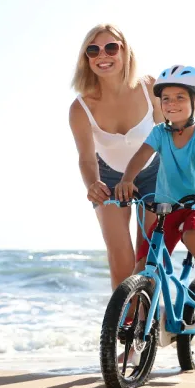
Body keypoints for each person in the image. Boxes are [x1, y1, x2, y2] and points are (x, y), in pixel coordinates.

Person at [116, 65, 195, 320]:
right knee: (143, 263)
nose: (171, 103)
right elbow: (140, 157)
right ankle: (134, 315)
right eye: (165, 98)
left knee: (192, 236)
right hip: (168, 208)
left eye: (179, 97)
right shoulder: (159, 133)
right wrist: (126, 179)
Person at [69, 23, 163, 290]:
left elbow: (171, 135)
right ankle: (123, 328)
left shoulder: (149, 88)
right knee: (120, 260)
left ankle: (151, 325)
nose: (103, 55)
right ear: (86, 59)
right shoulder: (80, 107)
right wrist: (92, 184)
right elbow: (86, 158)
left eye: (111, 47)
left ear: (125, 52)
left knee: (148, 258)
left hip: (153, 174)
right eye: (93, 50)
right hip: (108, 177)